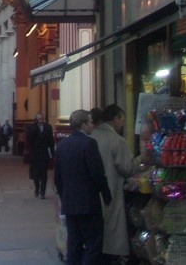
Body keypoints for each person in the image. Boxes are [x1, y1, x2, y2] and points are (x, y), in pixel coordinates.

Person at [54, 109, 111, 265]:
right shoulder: (89, 144)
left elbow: (57, 177)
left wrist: (64, 195)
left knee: (74, 243)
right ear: (84, 124)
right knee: (93, 243)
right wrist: (106, 196)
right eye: (91, 122)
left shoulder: (62, 145)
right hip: (88, 204)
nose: (93, 125)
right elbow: (98, 173)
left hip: (70, 204)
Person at [90, 104, 142, 263]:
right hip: (111, 192)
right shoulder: (117, 140)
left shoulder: (91, 136)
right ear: (115, 119)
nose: (122, 124)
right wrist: (141, 158)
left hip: (91, 194)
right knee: (111, 231)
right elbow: (127, 168)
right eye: (122, 121)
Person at [26, 112, 55, 198]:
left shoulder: (48, 127)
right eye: (39, 119)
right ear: (36, 119)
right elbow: (29, 140)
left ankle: (42, 192)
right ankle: (37, 188)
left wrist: (52, 153)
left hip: (44, 153)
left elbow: (51, 141)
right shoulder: (32, 127)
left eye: (42, 119)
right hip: (35, 154)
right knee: (36, 173)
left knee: (44, 174)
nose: (41, 121)